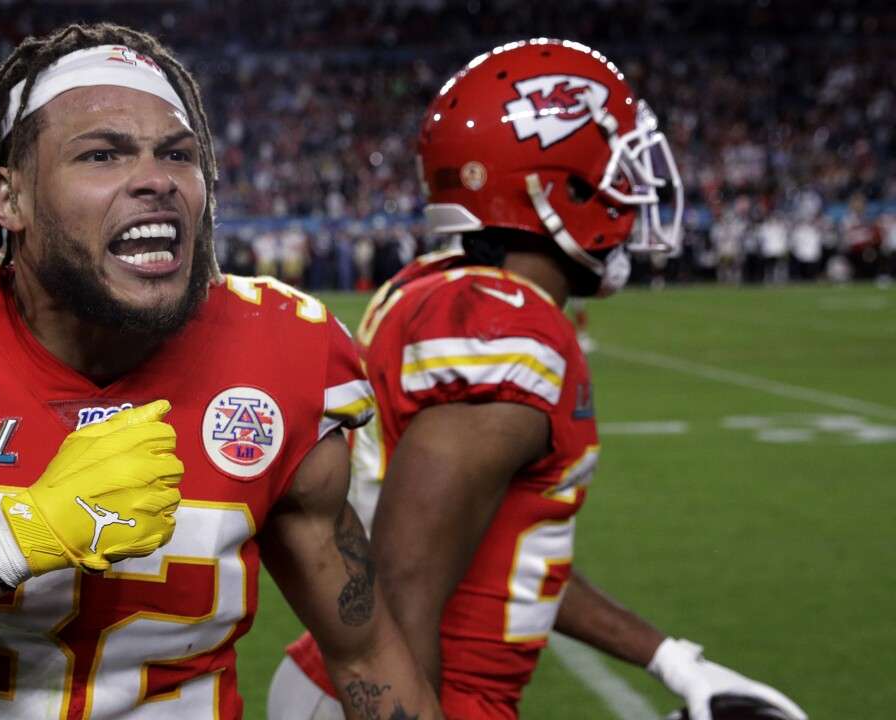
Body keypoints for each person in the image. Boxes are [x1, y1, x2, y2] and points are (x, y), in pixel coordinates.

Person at [0, 23, 441, 720]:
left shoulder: (284, 352)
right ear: (11, 199)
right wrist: (20, 537)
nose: (155, 180)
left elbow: (365, 653)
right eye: (103, 155)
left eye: (178, 155)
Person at [270, 39, 807, 720]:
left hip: (354, 679)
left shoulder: (437, 288)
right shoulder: (504, 328)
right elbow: (406, 583)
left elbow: (504, 562)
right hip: (413, 694)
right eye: (616, 171)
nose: (632, 193)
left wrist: (671, 661)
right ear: (558, 185)